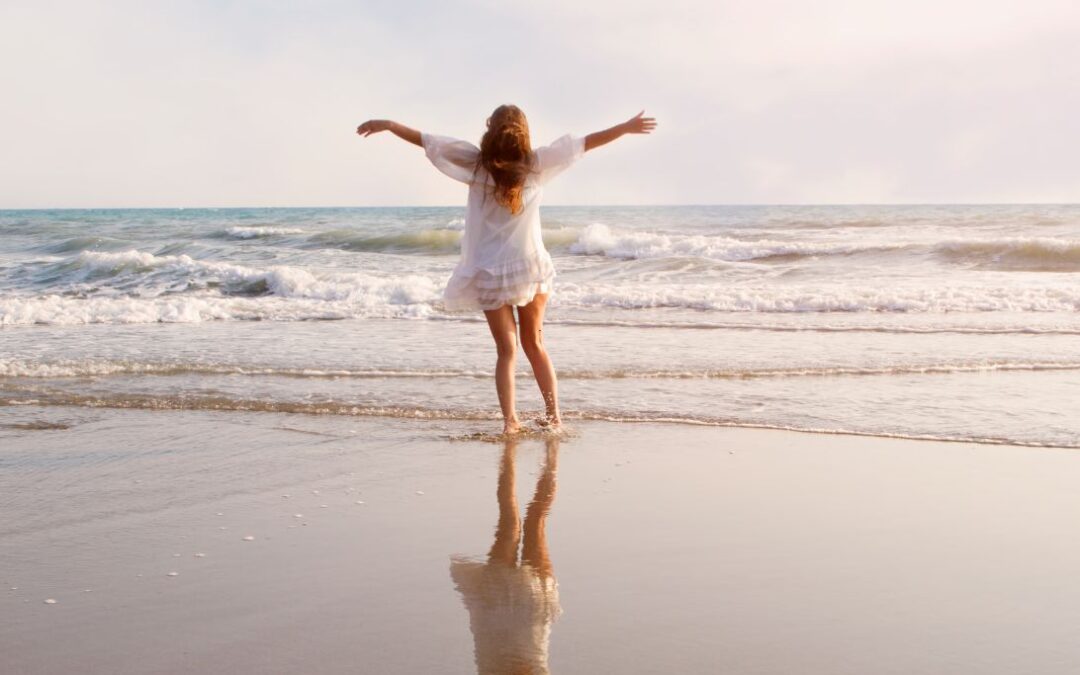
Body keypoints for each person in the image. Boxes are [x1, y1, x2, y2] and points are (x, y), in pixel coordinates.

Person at [356, 106, 657, 434]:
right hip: (530, 269)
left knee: (506, 350)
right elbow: (585, 143)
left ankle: (510, 421)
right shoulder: (536, 164)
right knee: (536, 344)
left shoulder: (475, 164)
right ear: (523, 133)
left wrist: (388, 124)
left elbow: (427, 141)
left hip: (489, 272)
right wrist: (626, 127)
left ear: (491, 131)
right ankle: (554, 417)